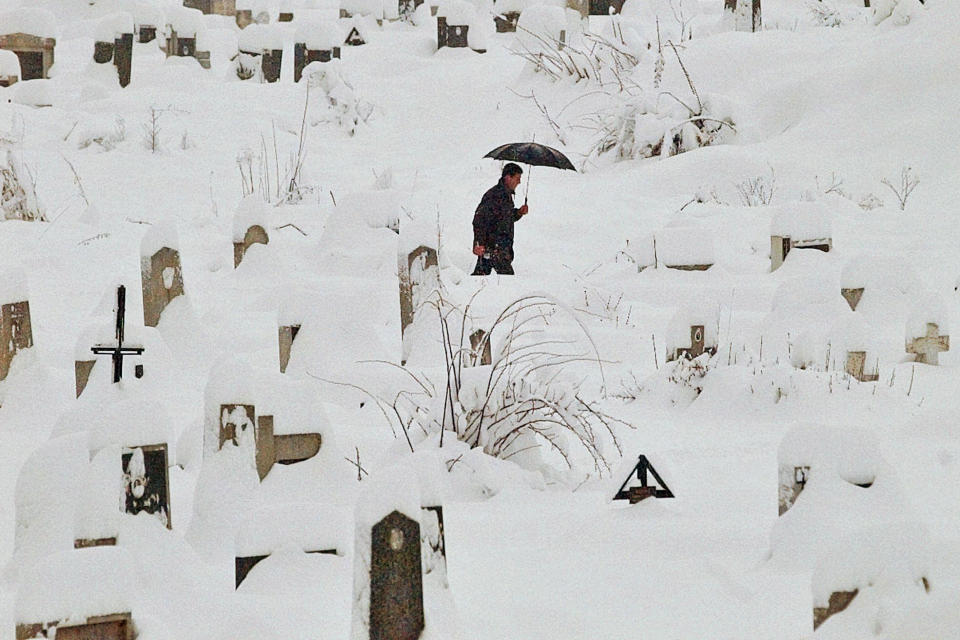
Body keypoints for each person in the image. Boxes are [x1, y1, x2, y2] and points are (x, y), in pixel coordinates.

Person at [471, 163, 530, 275]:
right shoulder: (494, 195)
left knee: (479, 278)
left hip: (500, 247)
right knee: (508, 280)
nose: (519, 182)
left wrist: (519, 212)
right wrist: (478, 244)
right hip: (493, 248)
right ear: (508, 177)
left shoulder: (506, 195)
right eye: (517, 178)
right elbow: (479, 219)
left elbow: (505, 218)